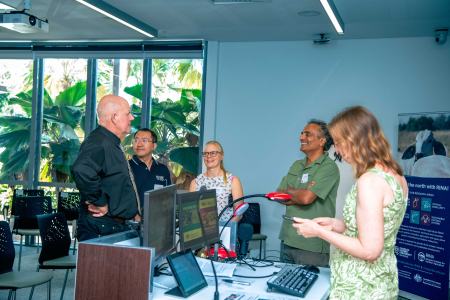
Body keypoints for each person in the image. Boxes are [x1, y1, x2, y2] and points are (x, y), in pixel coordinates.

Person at [293, 106, 408, 299]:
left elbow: (370, 250)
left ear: (355, 140)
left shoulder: (370, 181)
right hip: (381, 282)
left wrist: (319, 232)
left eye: (338, 143)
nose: (336, 149)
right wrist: (335, 225)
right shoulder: (396, 176)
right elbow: (377, 230)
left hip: (359, 288)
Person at [72, 95, 140, 241]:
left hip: (112, 227)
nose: (132, 118)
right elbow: (81, 169)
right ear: (114, 117)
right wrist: (100, 202)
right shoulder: (99, 142)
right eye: (128, 114)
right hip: (102, 228)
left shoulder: (111, 142)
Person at [277, 120, 340, 267]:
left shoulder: (329, 167)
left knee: (310, 288)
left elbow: (306, 198)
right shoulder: (296, 165)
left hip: (311, 245)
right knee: (283, 287)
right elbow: (278, 195)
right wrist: (298, 195)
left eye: (308, 134)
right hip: (287, 239)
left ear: (322, 141)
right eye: (302, 134)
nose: (301, 137)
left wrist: (291, 191)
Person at [189, 141, 244, 222]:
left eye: (213, 153)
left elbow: (239, 214)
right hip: (202, 232)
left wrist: (223, 231)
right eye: (206, 153)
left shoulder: (233, 181)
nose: (209, 156)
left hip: (225, 231)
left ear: (222, 156)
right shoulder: (195, 183)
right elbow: (192, 213)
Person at [129, 128, 172, 209]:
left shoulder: (163, 170)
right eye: (136, 140)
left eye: (144, 141)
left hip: (157, 219)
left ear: (154, 146)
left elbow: (168, 199)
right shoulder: (126, 167)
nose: (139, 144)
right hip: (132, 220)